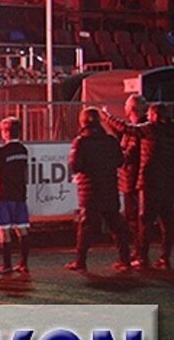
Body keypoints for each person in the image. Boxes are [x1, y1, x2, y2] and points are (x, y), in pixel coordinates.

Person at [103, 102, 174, 270]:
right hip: (170, 183)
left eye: (149, 114)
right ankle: (165, 258)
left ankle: (142, 257)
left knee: (145, 221)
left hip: (150, 182)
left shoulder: (150, 129)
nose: (147, 117)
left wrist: (106, 116)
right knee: (168, 223)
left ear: (154, 115)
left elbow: (126, 128)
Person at [66, 108, 132, 272]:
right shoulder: (110, 140)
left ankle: (80, 261)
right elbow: (120, 161)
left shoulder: (81, 142)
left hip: (90, 190)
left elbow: (75, 165)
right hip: (109, 188)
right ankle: (125, 259)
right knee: (116, 224)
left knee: (86, 226)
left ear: (83, 122)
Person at [0, 117, 30, 274]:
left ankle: (7, 265)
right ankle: (24, 263)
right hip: (20, 194)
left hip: (4, 195)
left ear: (5, 132)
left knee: (4, 230)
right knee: (22, 229)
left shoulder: (2, 151)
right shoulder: (23, 150)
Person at [115, 94, 147, 263]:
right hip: (132, 178)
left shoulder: (138, 129)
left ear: (131, 109)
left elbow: (130, 154)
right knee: (135, 218)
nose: (124, 108)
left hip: (133, 179)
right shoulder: (136, 128)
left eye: (126, 105)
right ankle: (140, 252)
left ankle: (140, 253)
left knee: (135, 218)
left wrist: (119, 157)